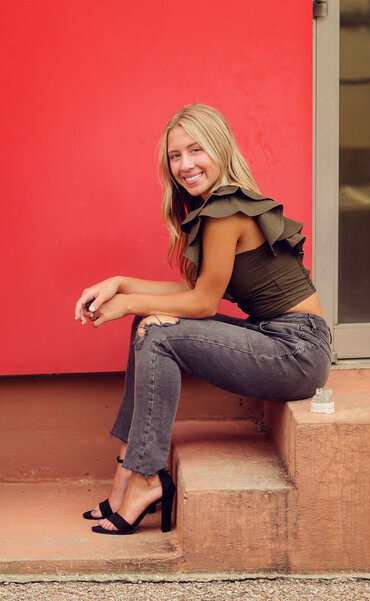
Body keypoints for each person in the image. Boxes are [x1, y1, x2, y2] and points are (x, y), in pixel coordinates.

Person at [74, 103, 331, 536]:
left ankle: (145, 478)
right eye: (175, 156)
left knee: (157, 332)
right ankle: (128, 471)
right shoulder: (217, 207)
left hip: (296, 352)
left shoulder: (226, 209)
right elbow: (191, 293)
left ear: (220, 149)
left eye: (196, 150)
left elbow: (205, 305)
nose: (185, 165)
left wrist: (128, 303)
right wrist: (119, 284)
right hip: (276, 338)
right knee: (149, 325)